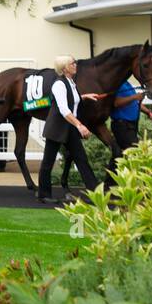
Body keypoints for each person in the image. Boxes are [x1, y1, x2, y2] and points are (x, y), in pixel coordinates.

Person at [36, 55, 103, 204]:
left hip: (69, 127)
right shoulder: (59, 84)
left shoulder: (71, 82)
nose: (76, 65)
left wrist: (84, 96)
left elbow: (71, 99)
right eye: (73, 63)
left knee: (81, 159)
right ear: (65, 68)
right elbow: (64, 109)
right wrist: (79, 125)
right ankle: (43, 194)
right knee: (48, 161)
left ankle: (96, 194)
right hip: (57, 128)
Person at [111, 79, 148, 153]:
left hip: (131, 125)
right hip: (122, 125)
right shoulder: (116, 83)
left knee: (121, 153)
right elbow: (116, 103)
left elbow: (135, 102)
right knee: (135, 150)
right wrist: (135, 97)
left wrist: (148, 112)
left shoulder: (127, 83)